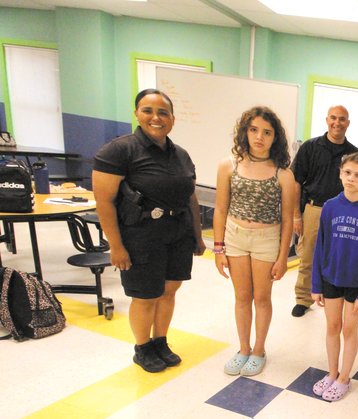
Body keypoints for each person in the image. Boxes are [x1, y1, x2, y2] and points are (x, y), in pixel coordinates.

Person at [92, 89, 205, 373]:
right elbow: (104, 201)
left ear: (172, 119)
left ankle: (160, 341)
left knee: (169, 290)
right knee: (145, 295)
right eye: (148, 111)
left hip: (177, 232)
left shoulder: (180, 154)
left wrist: (197, 234)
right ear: (136, 114)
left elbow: (190, 195)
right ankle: (142, 348)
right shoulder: (119, 150)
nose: (156, 118)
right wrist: (115, 246)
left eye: (163, 112)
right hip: (141, 234)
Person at [213, 106, 297, 376]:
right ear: (245, 132)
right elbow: (220, 209)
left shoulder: (283, 174)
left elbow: (287, 219)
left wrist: (283, 257)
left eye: (267, 132)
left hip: (266, 239)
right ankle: (243, 348)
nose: (259, 137)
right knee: (241, 296)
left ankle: (259, 349)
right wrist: (218, 248)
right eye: (253, 130)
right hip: (235, 236)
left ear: (275, 138)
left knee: (261, 297)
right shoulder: (229, 165)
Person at [310, 153, 358, 402]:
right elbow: (320, 247)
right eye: (348, 172)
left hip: (356, 284)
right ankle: (332, 373)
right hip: (331, 277)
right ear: (341, 173)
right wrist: (316, 284)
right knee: (332, 327)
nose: (351, 178)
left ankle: (344, 378)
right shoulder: (331, 206)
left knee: (349, 330)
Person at [290, 105, 358, 317]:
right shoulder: (310, 148)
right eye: (333, 118)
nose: (337, 123)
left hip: (343, 212)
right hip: (313, 209)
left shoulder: (354, 154)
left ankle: (334, 297)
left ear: (348, 123)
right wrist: (296, 214)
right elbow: (296, 183)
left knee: (339, 256)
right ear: (326, 119)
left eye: (342, 119)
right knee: (308, 257)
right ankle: (303, 299)